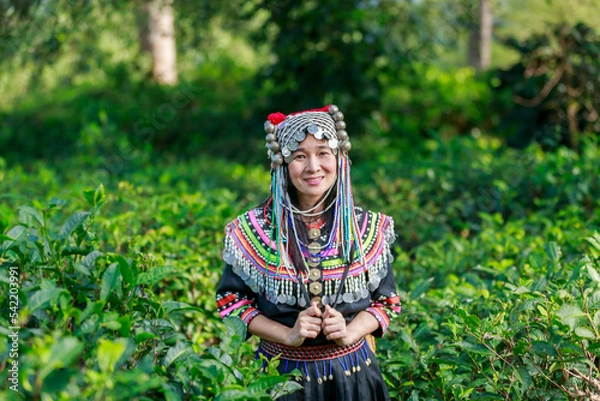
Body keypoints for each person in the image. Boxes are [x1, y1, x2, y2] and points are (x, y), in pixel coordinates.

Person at [216, 105, 401, 400]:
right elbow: (232, 303)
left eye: (323, 152)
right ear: (282, 163)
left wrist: (350, 332)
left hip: (354, 378)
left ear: (340, 159)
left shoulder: (368, 228)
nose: (313, 166)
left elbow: (386, 302)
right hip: (281, 381)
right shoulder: (252, 230)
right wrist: (288, 335)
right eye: (300, 156)